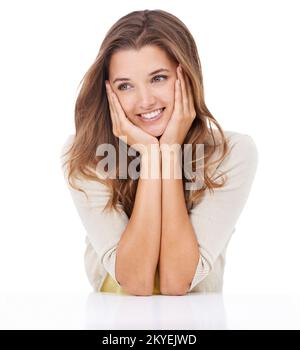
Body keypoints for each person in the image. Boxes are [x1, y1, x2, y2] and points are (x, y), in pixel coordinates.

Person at [60, 9, 258, 296]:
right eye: (125, 85)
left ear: (186, 77)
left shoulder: (232, 154)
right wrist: (153, 156)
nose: (145, 100)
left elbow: (177, 281)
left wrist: (169, 151)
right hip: (114, 322)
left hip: (193, 323)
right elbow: (136, 281)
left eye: (158, 78)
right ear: (109, 93)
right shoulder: (86, 156)